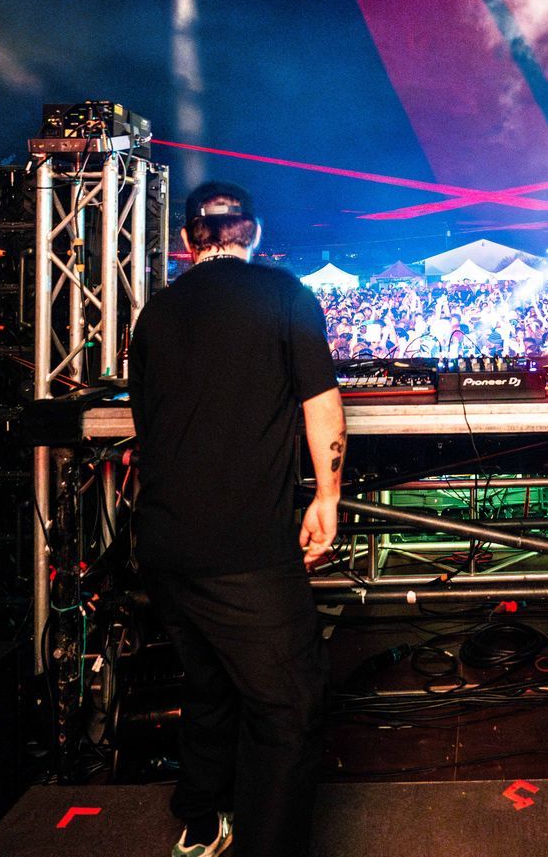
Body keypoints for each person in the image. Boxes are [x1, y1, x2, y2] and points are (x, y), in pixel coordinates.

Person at [128, 181, 344, 857]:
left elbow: (149, 426)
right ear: (250, 232)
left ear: (189, 240)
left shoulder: (154, 315)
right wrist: (327, 494)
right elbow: (322, 404)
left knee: (209, 681)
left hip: (163, 542)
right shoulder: (284, 294)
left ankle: (200, 819)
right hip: (244, 548)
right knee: (288, 711)